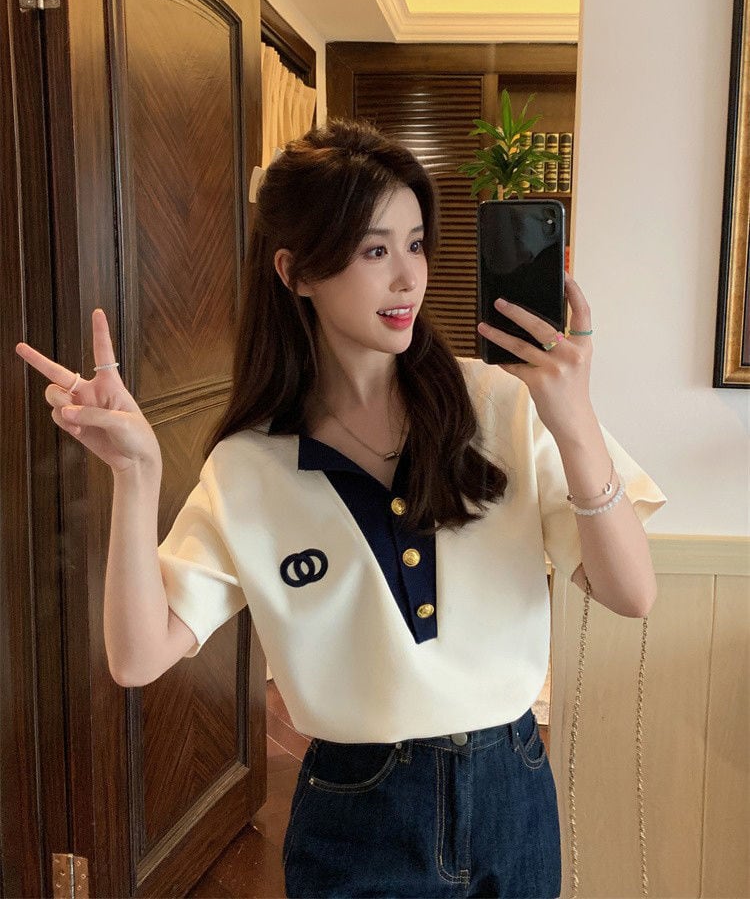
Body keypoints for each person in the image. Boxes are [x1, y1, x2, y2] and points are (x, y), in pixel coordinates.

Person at [15, 117, 667, 899]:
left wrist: (575, 422)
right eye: (374, 250)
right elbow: (138, 655)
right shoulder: (250, 466)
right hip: (359, 810)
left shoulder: (503, 402)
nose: (408, 277)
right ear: (296, 272)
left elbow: (632, 593)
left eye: (416, 244)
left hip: (512, 790)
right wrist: (135, 473)